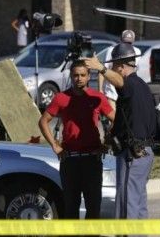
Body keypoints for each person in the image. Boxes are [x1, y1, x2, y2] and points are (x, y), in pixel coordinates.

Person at [84, 42, 156, 220]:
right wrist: (110, 138)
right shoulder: (141, 86)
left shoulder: (130, 84)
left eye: (114, 67)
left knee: (127, 201)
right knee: (138, 201)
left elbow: (120, 83)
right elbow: (125, 120)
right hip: (143, 152)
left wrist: (100, 67)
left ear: (122, 67)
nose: (112, 71)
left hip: (134, 154)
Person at [38, 59, 115, 219]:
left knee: (94, 208)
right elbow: (43, 121)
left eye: (82, 75)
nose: (78, 78)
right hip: (69, 160)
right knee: (70, 209)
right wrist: (54, 145)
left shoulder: (97, 98)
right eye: (75, 75)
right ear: (71, 76)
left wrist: (107, 143)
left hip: (92, 160)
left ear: (88, 77)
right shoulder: (61, 98)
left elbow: (117, 119)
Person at [99, 29, 142, 110]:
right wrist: (100, 90)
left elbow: (137, 72)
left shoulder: (137, 52)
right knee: (113, 120)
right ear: (121, 40)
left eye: (129, 43)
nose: (127, 45)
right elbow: (103, 70)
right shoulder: (112, 50)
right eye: (125, 42)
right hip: (112, 92)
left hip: (128, 92)